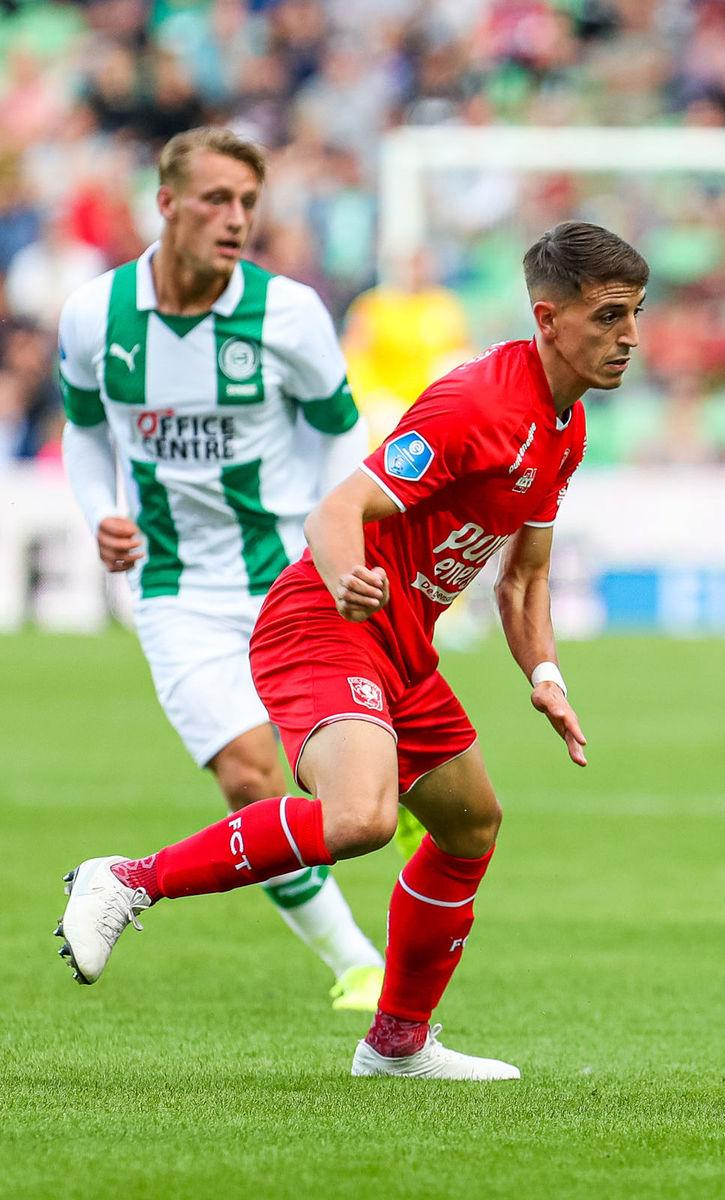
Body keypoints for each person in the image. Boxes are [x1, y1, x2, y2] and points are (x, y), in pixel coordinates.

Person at [57, 220, 647, 1080]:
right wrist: (344, 578)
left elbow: (524, 582)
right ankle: (127, 879)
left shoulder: (566, 429)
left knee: (470, 823)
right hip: (324, 622)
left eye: (636, 315)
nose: (630, 336)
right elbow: (336, 512)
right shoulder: (476, 402)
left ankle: (397, 1046)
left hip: (401, 648)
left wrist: (546, 675)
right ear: (548, 318)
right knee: (362, 818)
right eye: (610, 317)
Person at [55, 127, 384, 1010]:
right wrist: (103, 516)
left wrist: (336, 536)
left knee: (345, 793)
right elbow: (84, 431)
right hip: (173, 591)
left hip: (288, 582)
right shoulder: (97, 314)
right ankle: (359, 964)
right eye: (215, 200)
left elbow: (339, 432)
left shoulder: (289, 314)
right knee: (250, 775)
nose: (235, 219)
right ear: (165, 205)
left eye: (248, 202)